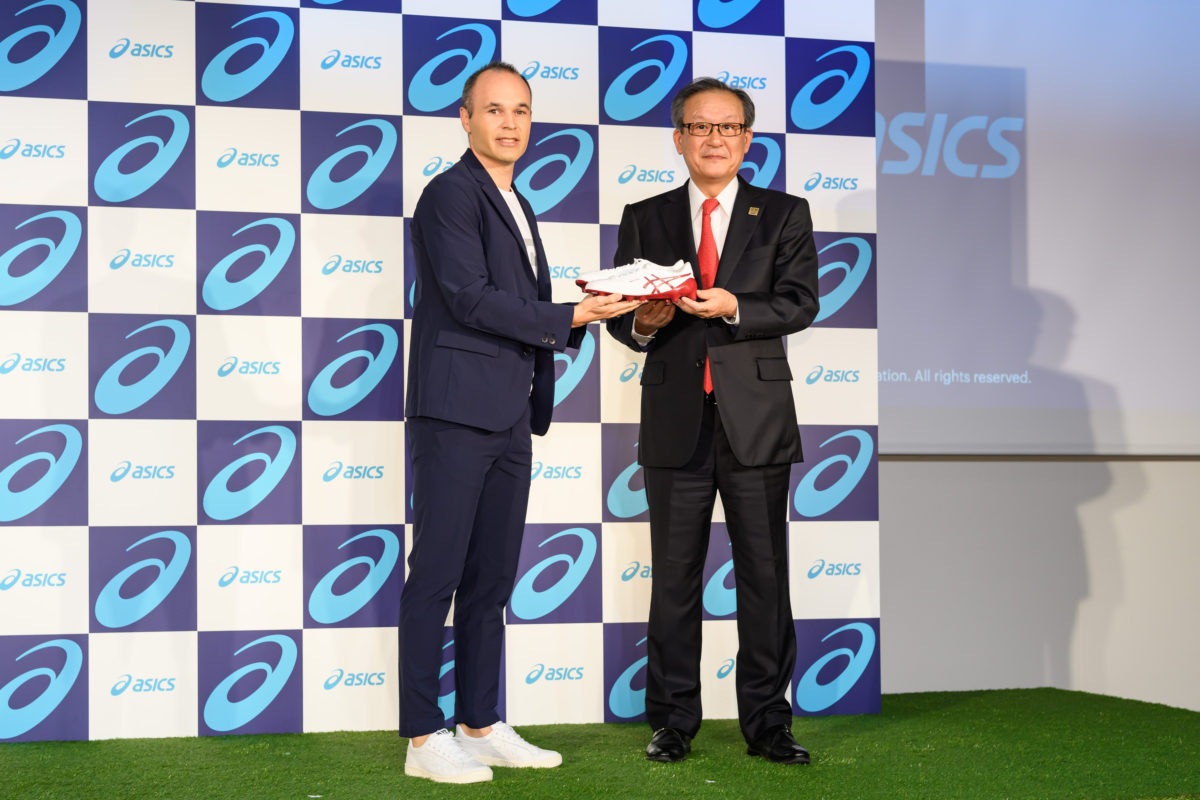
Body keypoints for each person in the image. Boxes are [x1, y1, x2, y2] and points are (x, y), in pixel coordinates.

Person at [400, 62, 640, 784]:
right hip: (455, 412)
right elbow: (469, 299)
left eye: (522, 111)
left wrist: (584, 309)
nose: (510, 123)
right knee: (437, 574)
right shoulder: (449, 194)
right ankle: (422, 738)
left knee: (491, 580)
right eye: (495, 110)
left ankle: (478, 723)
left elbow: (509, 301)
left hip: (507, 412)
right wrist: (572, 314)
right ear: (465, 119)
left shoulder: (516, 200)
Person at [606, 77, 821, 765]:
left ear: (747, 139)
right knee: (673, 581)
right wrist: (643, 323)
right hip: (676, 420)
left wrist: (735, 306)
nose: (715, 139)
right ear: (679, 139)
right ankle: (672, 721)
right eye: (700, 127)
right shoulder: (645, 215)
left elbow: (800, 302)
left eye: (728, 127)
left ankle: (769, 722)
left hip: (756, 421)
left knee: (764, 576)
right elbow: (621, 317)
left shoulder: (783, 212)